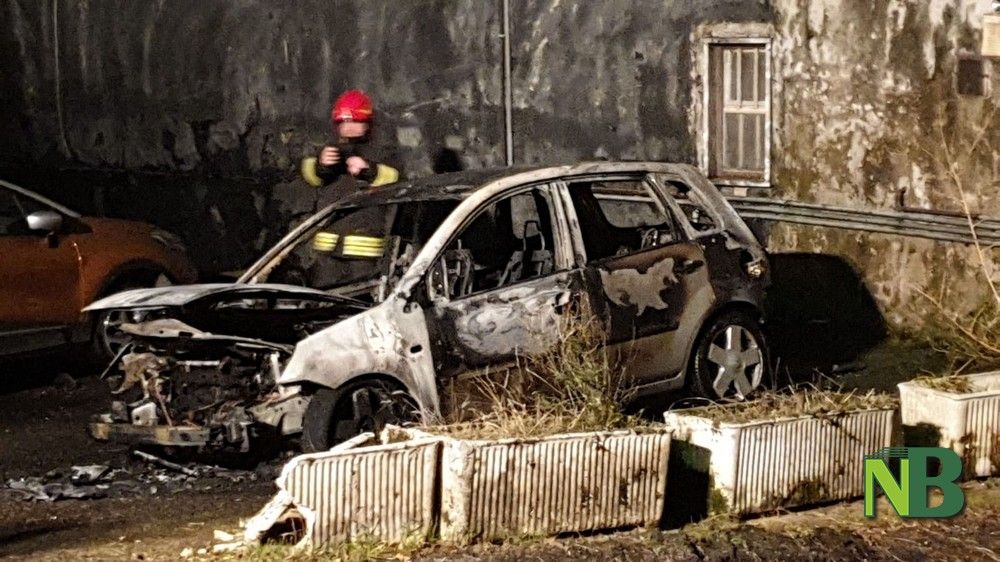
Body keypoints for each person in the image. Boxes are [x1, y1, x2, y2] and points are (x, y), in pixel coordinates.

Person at [300, 90, 400, 198]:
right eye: (344, 122)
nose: (349, 127)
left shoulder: (382, 146)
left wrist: (368, 169)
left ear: (367, 124)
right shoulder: (327, 144)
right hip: (331, 206)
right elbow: (306, 176)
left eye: (355, 121)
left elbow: (398, 179)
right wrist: (321, 166)